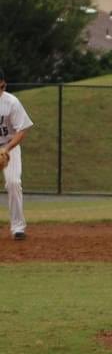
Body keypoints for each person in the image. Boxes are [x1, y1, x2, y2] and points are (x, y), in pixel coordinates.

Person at [0, 69, 33, 241]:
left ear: (2, 84)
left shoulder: (11, 102)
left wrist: (7, 148)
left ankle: (18, 227)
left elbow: (22, 130)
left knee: (13, 183)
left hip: (9, 147)